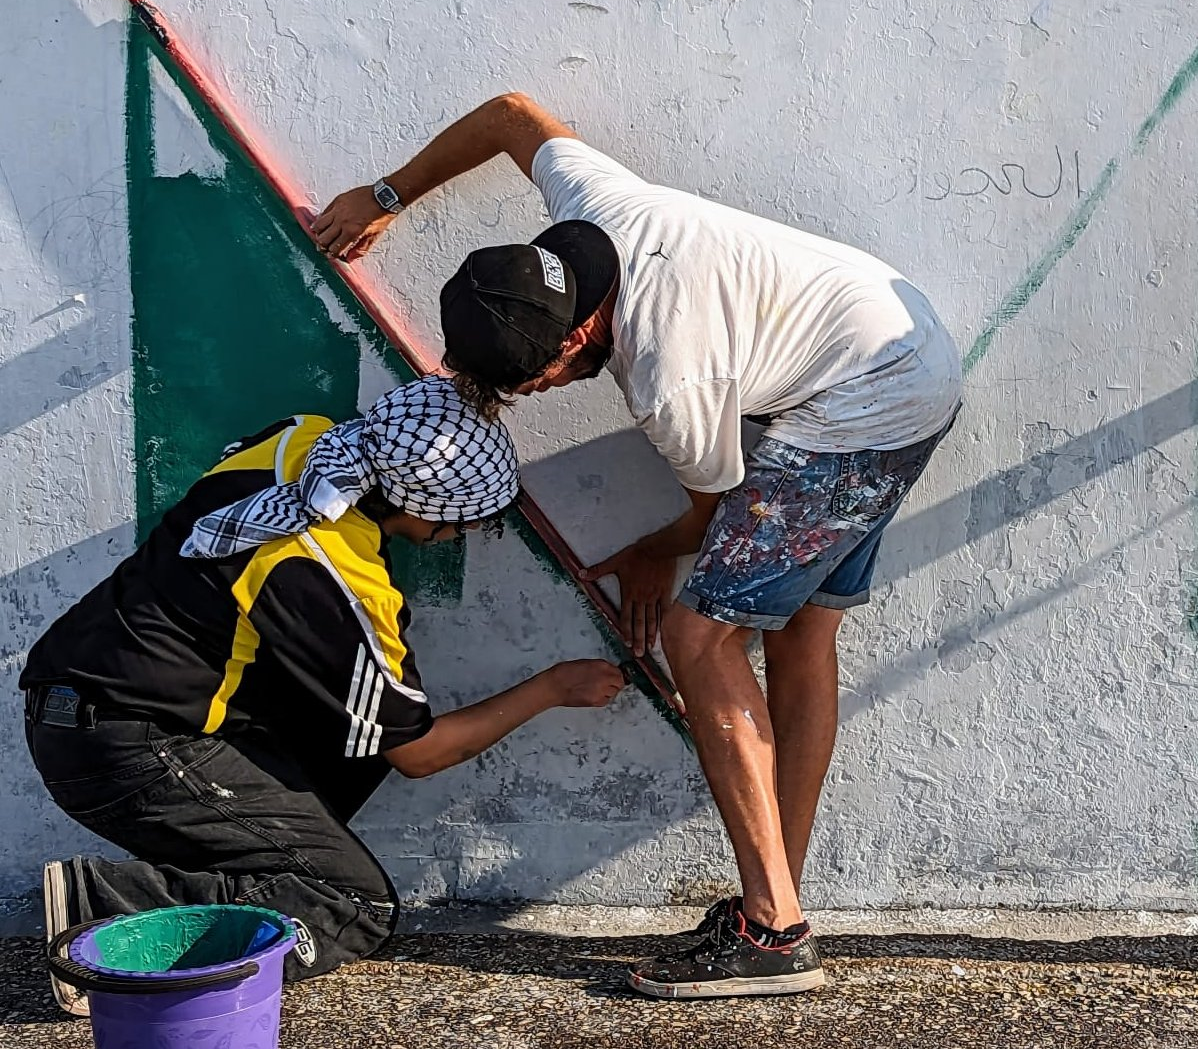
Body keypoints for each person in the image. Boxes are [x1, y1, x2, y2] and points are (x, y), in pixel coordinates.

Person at [313, 93, 964, 999]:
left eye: (530, 379)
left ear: (577, 331)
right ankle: (773, 899)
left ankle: (773, 931)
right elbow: (510, 115)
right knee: (804, 633)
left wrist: (656, 552)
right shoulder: (590, 207)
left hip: (861, 408)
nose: (529, 394)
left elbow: (713, 510)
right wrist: (388, 194)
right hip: (900, 354)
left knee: (699, 638)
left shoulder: (669, 375)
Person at [21, 376, 626, 1015]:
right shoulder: (329, 571)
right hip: (128, 743)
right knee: (355, 904)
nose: (462, 535)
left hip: (85, 704)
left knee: (359, 733)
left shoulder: (303, 440)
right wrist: (552, 687)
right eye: (464, 522)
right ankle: (102, 908)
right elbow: (418, 754)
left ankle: (256, 869)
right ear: (421, 504)